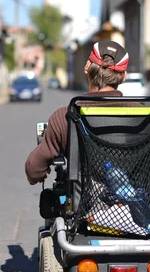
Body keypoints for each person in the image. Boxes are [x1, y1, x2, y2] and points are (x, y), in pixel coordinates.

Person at [25, 40, 130, 185]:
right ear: (124, 76)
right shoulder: (147, 115)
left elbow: (34, 170)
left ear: (87, 67)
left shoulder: (66, 116)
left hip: (83, 204)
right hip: (135, 203)